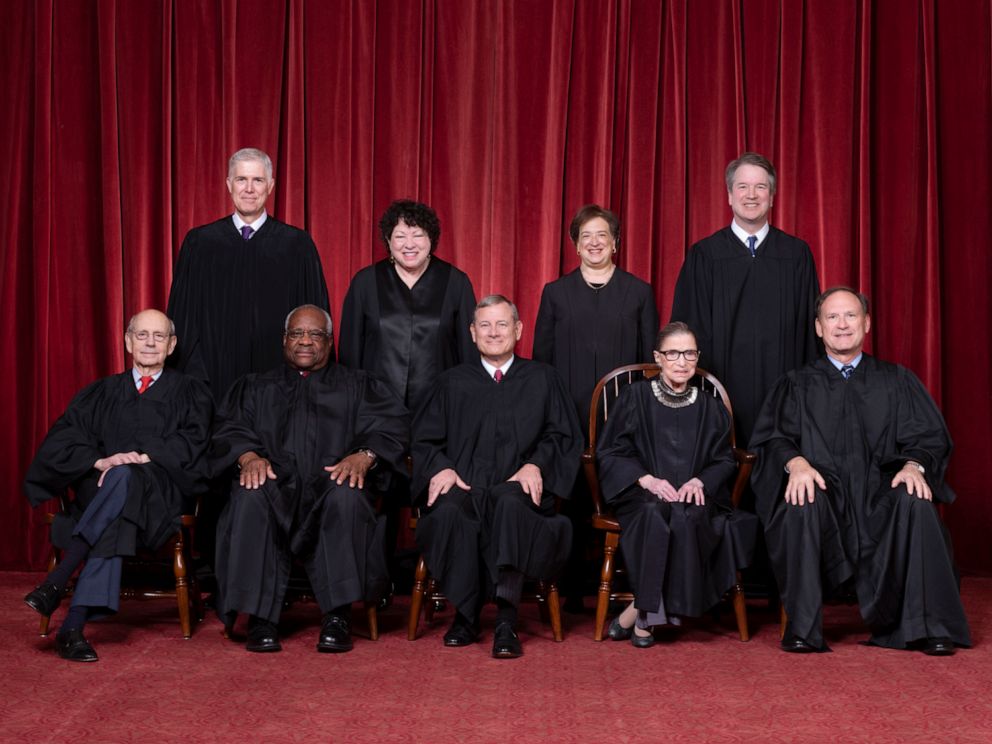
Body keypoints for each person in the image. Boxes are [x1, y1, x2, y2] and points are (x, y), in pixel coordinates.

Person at [750, 287, 971, 655]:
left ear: (866, 323)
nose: (841, 325)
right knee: (802, 498)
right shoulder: (797, 384)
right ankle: (803, 629)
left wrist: (915, 465)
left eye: (850, 316)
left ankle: (930, 627)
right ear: (818, 328)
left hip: (880, 497)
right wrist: (797, 462)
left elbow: (930, 436)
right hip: (827, 496)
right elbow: (772, 438)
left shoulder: (896, 380)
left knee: (914, 500)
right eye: (832, 317)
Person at [211, 305, 408, 653]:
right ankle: (261, 617)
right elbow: (228, 429)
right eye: (297, 334)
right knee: (250, 493)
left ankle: (337, 615)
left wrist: (365, 456)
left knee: (347, 494)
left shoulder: (359, 385)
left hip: (330, 484)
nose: (305, 341)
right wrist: (248, 456)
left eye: (315, 334)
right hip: (275, 486)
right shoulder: (256, 387)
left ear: (330, 342)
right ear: (284, 340)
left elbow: (392, 427)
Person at [23, 310, 213, 662]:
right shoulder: (100, 392)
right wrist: (101, 461)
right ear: (127, 341)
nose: (150, 343)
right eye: (142, 335)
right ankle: (71, 629)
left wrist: (144, 457)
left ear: (171, 345)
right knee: (118, 489)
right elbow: (60, 442)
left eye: (159, 336)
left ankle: (60, 584)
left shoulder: (191, 392)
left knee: (125, 480)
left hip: (159, 494)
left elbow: (195, 445)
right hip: (101, 491)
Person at [412, 295, 582, 658]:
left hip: (518, 488)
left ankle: (506, 618)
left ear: (518, 330)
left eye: (502, 324)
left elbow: (563, 436)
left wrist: (536, 464)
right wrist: (441, 467)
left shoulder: (543, 379)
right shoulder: (451, 382)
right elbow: (424, 437)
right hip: (465, 484)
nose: (493, 332)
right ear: (472, 333)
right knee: (449, 512)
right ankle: (466, 615)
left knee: (509, 504)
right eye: (485, 325)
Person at [596, 322, 757, 647]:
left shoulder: (709, 406)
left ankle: (636, 613)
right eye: (673, 353)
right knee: (654, 514)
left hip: (692, 495)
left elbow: (725, 459)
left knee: (689, 518)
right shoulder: (634, 397)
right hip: (642, 492)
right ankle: (646, 619)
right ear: (659, 356)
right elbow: (610, 450)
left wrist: (702, 480)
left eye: (689, 353)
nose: (682, 361)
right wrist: (647, 479)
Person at [533, 204, 658, 610]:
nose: (594, 242)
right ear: (575, 245)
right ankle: (567, 586)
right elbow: (542, 361)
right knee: (568, 498)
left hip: (623, 419)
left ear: (616, 243)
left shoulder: (639, 292)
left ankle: (635, 586)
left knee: (623, 493)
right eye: (585, 235)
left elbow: (649, 365)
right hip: (568, 414)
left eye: (602, 234)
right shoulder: (555, 293)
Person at [671, 152, 820, 447]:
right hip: (721, 393)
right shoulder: (705, 255)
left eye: (761, 187)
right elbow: (688, 330)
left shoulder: (796, 254)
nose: (751, 195)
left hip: (783, 393)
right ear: (729, 195)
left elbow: (809, 333)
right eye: (742, 187)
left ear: (772, 196)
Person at [166, 147, 330, 400]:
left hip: (281, 384)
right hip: (212, 381)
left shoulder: (297, 245)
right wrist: (196, 379)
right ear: (229, 184)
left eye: (258, 180)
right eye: (241, 179)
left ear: (271, 185)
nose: (249, 189)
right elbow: (183, 320)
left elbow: (316, 320)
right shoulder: (200, 243)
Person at [338, 199, 476, 417]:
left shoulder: (455, 282)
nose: (409, 244)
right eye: (400, 236)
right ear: (388, 241)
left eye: (418, 235)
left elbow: (469, 352)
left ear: (431, 238)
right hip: (376, 408)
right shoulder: (366, 282)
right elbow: (350, 352)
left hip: (441, 409)